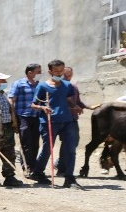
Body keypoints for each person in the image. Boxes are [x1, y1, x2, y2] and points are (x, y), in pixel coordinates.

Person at [30, 59, 84, 189]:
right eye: (56, 71)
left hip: (67, 121)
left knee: (70, 149)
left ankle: (69, 178)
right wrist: (43, 108)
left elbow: (68, 100)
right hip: (49, 121)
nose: (59, 74)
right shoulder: (42, 86)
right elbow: (33, 104)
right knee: (48, 148)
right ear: (50, 71)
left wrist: (76, 106)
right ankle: (38, 173)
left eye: (61, 71)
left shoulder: (67, 85)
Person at [8, 63, 42, 178]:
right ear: (30, 73)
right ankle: (26, 167)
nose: (40, 74)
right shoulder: (19, 84)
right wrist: (13, 118)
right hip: (23, 117)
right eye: (38, 72)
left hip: (36, 116)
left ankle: (33, 166)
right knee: (26, 143)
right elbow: (12, 100)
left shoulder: (39, 85)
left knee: (35, 143)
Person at [55, 66, 87, 175]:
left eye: (69, 75)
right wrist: (74, 107)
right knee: (67, 143)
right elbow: (62, 101)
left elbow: (77, 101)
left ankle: (60, 164)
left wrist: (88, 107)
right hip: (63, 118)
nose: (67, 77)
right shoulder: (60, 86)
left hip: (73, 118)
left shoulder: (73, 86)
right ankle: (61, 168)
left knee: (73, 142)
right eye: (65, 75)